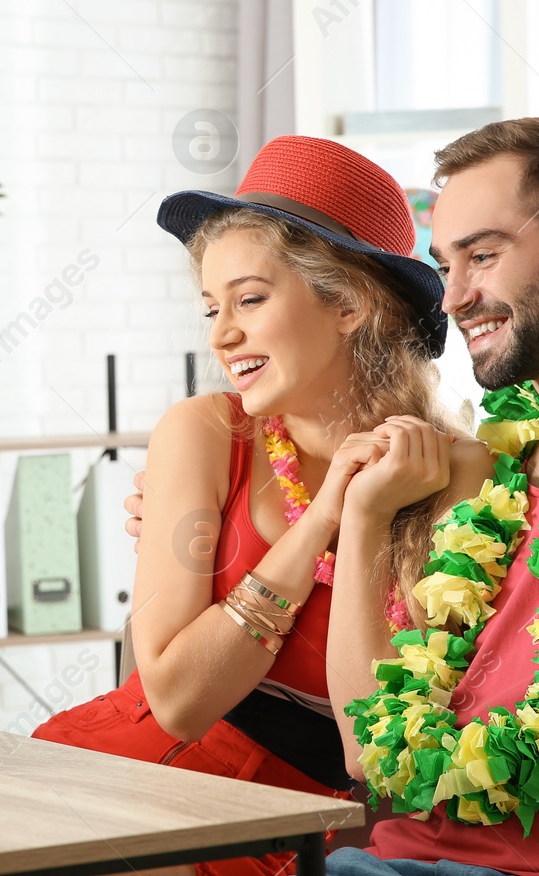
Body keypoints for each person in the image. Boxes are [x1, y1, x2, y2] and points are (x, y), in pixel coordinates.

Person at [130, 118, 539, 876]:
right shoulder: (490, 464)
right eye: (443, 264)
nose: (454, 297)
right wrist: (359, 517)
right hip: (393, 859)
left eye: (483, 256)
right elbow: (367, 750)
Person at [33, 135, 494, 876]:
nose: (221, 333)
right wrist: (319, 521)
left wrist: (368, 517)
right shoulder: (204, 431)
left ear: (347, 303)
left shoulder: (458, 471)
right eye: (212, 306)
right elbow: (180, 701)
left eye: (250, 298)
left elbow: (391, 752)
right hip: (124, 779)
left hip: (308, 827)